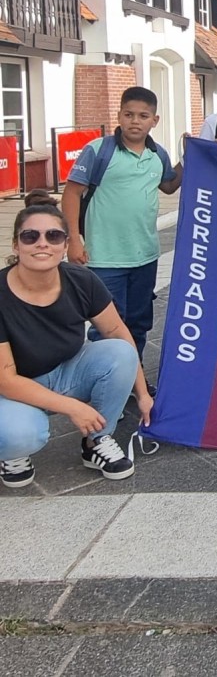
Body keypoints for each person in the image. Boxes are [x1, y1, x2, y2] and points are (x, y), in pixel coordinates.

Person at [0, 192, 153, 488]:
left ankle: (97, 441)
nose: (42, 243)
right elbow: (6, 380)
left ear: (65, 245)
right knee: (20, 435)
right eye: (30, 236)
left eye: (54, 236)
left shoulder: (81, 280)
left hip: (65, 371)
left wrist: (143, 393)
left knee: (120, 352)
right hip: (13, 386)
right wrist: (74, 408)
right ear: (15, 245)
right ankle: (12, 452)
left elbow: (117, 332)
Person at [62, 87, 182, 366]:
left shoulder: (157, 154)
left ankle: (132, 379)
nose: (135, 121)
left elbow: (169, 184)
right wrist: (74, 240)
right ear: (119, 115)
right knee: (106, 327)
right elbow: (71, 193)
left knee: (138, 323)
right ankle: (104, 382)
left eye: (143, 116)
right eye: (128, 114)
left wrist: (192, 157)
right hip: (104, 257)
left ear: (155, 120)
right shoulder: (98, 151)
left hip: (145, 257)